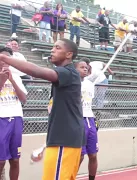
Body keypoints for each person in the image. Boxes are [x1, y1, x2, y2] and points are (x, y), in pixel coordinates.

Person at [0, 39, 84, 180]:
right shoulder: (65, 77)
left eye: (57, 48)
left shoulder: (68, 73)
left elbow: (38, 71)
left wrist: (4, 58)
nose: (52, 50)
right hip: (62, 140)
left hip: (64, 142)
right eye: (52, 47)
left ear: (69, 54)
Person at [0, 46, 27, 180]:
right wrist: (3, 79)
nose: (5, 62)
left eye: (7, 59)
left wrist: (11, 80)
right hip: (1, 119)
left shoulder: (16, 77)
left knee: (15, 159)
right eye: (2, 58)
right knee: (0, 160)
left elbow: (23, 99)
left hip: (16, 118)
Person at [75, 60, 98, 180]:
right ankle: (70, 177)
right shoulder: (72, 84)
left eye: (86, 67)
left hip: (90, 119)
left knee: (93, 154)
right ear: (75, 69)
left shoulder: (90, 84)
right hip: (78, 120)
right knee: (80, 156)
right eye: (81, 67)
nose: (85, 69)